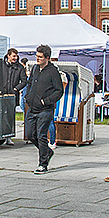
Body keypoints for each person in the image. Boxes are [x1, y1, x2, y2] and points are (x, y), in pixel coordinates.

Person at [25, 45, 64, 174]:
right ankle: (47, 151)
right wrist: (28, 96)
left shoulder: (53, 71)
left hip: (45, 109)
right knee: (30, 134)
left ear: (47, 58)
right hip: (32, 107)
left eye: (40, 57)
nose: (38, 59)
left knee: (41, 135)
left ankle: (43, 164)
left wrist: (46, 101)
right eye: (37, 56)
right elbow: (30, 82)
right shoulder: (36, 68)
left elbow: (59, 91)